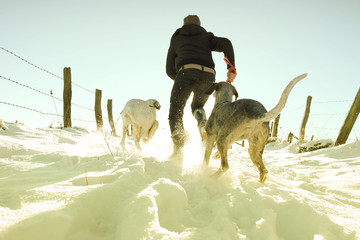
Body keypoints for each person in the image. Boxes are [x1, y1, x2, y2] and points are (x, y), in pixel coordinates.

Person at [166, 15, 236, 159]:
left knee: (176, 111)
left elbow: (168, 69)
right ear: (199, 25)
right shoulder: (206, 37)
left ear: (183, 25)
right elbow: (226, 43)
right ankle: (202, 124)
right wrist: (231, 68)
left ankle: (178, 150)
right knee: (197, 106)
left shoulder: (176, 39)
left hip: (185, 72)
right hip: (208, 75)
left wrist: (181, 80)